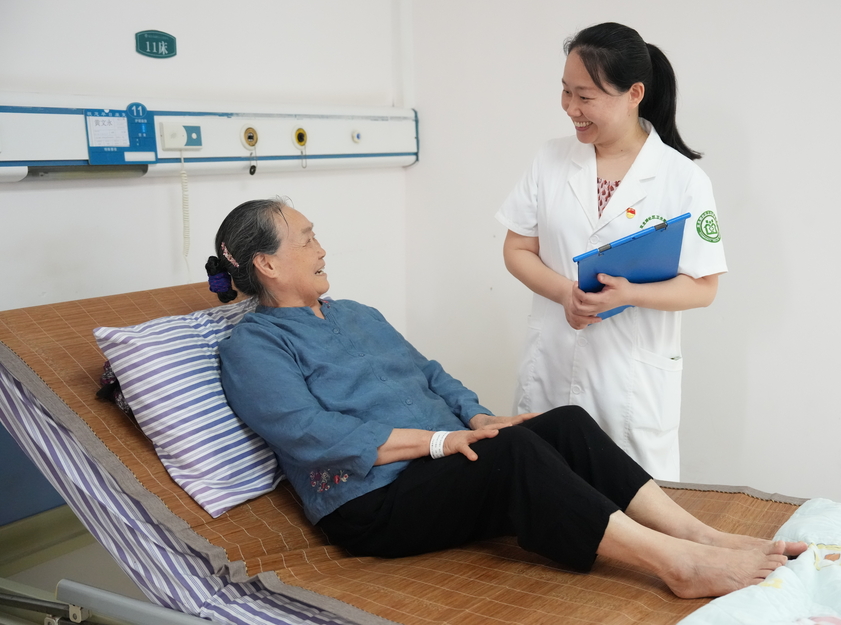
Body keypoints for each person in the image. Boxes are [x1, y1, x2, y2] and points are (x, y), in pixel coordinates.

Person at [207, 199, 802, 599]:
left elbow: (429, 374)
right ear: (267, 263)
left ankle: (700, 536)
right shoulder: (252, 347)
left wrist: (480, 416)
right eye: (308, 239)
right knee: (511, 454)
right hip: (371, 503)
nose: (321, 249)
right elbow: (311, 435)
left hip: (440, 467)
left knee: (563, 423)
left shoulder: (357, 313)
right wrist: (441, 441)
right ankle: (678, 565)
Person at [496, 22, 726, 481]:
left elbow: (703, 287)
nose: (571, 108)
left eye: (585, 96)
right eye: (566, 92)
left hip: (630, 385)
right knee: (545, 496)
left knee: (634, 508)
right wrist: (566, 294)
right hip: (552, 368)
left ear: (634, 93)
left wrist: (629, 295)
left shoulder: (682, 179)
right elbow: (517, 248)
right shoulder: (550, 158)